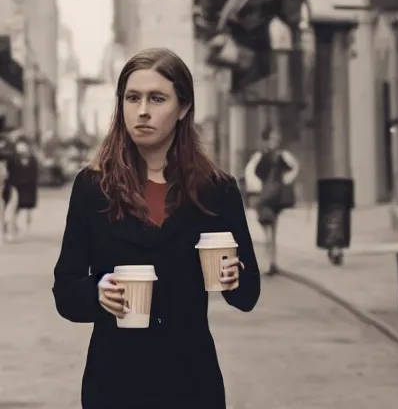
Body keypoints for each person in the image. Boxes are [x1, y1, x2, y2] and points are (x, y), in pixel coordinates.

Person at [52, 47, 261, 409]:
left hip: (191, 382)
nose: (143, 110)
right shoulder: (92, 187)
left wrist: (233, 276)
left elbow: (248, 295)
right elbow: (66, 290)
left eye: (157, 98)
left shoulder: (217, 189)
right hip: (114, 383)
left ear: (183, 108)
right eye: (132, 98)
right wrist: (97, 293)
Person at [244, 125, 299, 276]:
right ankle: (271, 262)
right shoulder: (262, 156)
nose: (276, 141)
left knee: (271, 229)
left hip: (273, 198)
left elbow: (294, 168)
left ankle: (271, 262)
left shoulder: (281, 156)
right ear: (267, 140)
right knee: (269, 229)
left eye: (277, 138)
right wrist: (259, 187)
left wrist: (286, 180)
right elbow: (250, 173)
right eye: (273, 138)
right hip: (266, 198)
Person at [4, 136, 38, 240]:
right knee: (11, 207)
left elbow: (34, 174)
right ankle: (9, 230)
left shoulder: (32, 159)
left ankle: (13, 228)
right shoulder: (13, 158)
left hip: (25, 189)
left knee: (18, 209)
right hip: (13, 187)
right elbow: (7, 172)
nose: (22, 147)